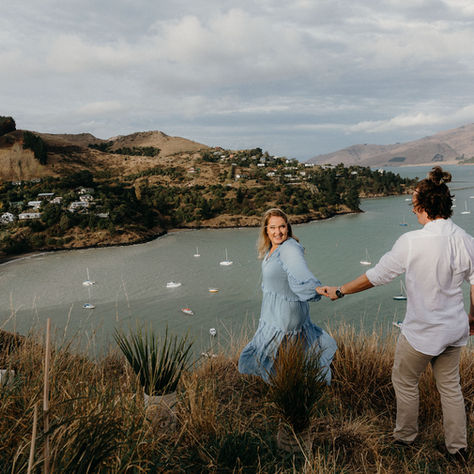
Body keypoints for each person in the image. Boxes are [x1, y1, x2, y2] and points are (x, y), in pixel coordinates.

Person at [317, 166, 473, 461]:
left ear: (422, 207)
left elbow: (376, 276)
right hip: (454, 330)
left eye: (415, 203)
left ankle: (405, 438)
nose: (413, 209)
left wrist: (340, 291)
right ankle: (458, 450)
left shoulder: (412, 241)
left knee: (404, 380)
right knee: (450, 388)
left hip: (421, 332)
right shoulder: (465, 239)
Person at [238, 208, 337, 384]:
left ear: (288, 227)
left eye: (282, 226)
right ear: (266, 230)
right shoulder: (271, 249)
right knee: (289, 355)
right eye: (273, 227)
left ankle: (290, 390)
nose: (278, 232)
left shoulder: (289, 248)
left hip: (285, 315)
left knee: (282, 357)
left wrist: (316, 288)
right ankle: (292, 386)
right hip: (277, 311)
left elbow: (300, 270)